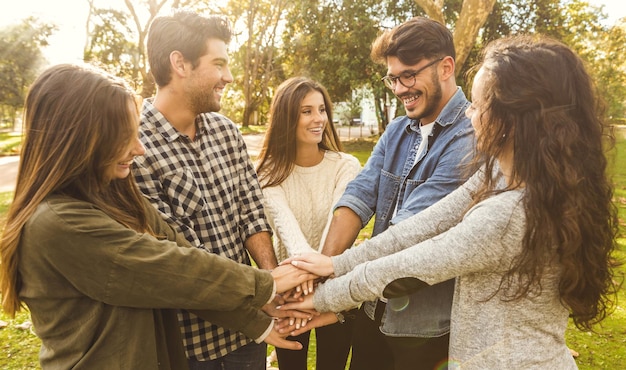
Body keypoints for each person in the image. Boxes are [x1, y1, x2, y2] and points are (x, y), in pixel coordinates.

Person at [281, 34, 619, 369]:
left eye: (478, 104)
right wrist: (335, 265)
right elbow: (421, 227)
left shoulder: (508, 213)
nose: (470, 114)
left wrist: (322, 299)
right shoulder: (501, 176)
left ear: (514, 117)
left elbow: (412, 263)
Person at [0, 63, 316, 369]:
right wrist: (267, 283)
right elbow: (173, 270)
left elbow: (184, 264)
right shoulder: (58, 223)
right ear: (83, 137)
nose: (139, 149)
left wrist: (256, 323)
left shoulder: (114, 196)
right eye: (124, 135)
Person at [315, 16, 475, 369]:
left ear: (446, 67)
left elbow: (410, 232)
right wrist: (320, 270)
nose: (400, 88)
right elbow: (360, 194)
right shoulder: (399, 128)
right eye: (393, 78)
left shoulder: (471, 135)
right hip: (373, 310)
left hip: (425, 328)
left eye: (409, 75)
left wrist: (327, 287)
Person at [132, 9, 280, 369]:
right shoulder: (134, 149)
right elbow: (178, 257)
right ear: (179, 63)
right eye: (219, 64)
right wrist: (260, 297)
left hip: (249, 336)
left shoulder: (226, 131)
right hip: (188, 345)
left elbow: (251, 212)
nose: (228, 77)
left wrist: (272, 282)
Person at [255, 76, 361, 370]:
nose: (319, 119)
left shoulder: (346, 166)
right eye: (307, 111)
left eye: (322, 109)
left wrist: (316, 281)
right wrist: (303, 288)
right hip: (291, 297)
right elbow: (290, 235)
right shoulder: (267, 174)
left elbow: (336, 224)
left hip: (337, 292)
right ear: (287, 117)